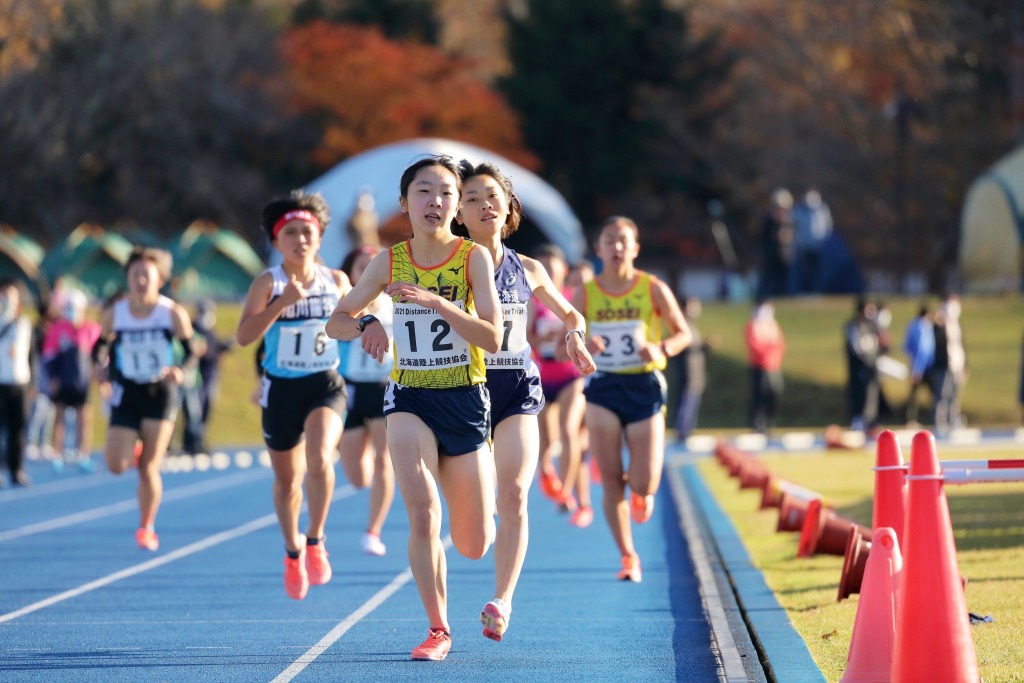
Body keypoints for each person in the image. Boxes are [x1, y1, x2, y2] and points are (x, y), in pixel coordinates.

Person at [325, 155, 501, 661]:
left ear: (457, 205)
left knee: (473, 542)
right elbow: (337, 319)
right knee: (422, 513)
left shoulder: (473, 259)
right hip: (409, 395)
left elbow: (491, 337)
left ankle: (479, 516)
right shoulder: (390, 261)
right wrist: (367, 325)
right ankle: (438, 628)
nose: (436, 202)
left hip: (465, 397)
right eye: (424, 192)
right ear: (404, 203)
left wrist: (438, 303)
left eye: (446, 192)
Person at [456, 161, 596, 641]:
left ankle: (502, 599)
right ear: (458, 211)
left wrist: (575, 336)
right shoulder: (446, 266)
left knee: (514, 492)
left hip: (516, 385)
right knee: (472, 519)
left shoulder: (529, 268)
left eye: (491, 196)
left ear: (509, 207)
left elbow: (571, 312)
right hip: (462, 390)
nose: (484, 205)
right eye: (472, 198)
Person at [236, 191, 350, 600]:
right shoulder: (269, 282)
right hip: (281, 391)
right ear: (277, 242)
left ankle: (316, 539)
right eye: (291, 234)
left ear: (319, 239)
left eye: (308, 232)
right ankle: (292, 551)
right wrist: (280, 305)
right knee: (287, 483)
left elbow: (356, 322)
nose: (301, 240)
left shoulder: (336, 281)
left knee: (320, 459)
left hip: (324, 384)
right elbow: (244, 336)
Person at [574, 216, 691, 583]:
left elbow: (683, 333)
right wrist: (582, 346)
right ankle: (628, 556)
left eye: (624, 240)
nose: (617, 247)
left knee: (644, 483)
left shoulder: (652, 288)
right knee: (610, 480)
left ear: (635, 248)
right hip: (603, 389)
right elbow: (567, 348)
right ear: (599, 249)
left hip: (644, 387)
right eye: (609, 240)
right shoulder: (587, 294)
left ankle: (641, 493)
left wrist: (660, 348)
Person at [92, 247, 196, 549]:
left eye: (146, 275)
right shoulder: (116, 313)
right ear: (127, 278)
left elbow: (192, 352)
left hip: (159, 393)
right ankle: (132, 448)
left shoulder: (171, 313)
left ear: (159, 280)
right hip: (127, 392)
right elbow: (99, 346)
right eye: (135, 275)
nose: (140, 281)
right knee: (115, 465)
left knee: (150, 466)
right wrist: (101, 366)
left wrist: (179, 370)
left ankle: (146, 527)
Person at [336, 245, 395, 557]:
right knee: (358, 476)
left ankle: (373, 530)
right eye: (361, 266)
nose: (368, 272)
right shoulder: (345, 307)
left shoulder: (395, 304)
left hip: (385, 387)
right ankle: (371, 483)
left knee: (384, 460)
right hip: (351, 390)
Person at [530, 244, 592, 527]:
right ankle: (547, 473)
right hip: (542, 377)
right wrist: (548, 342)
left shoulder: (572, 299)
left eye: (552, 268)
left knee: (569, 429)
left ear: (563, 271)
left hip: (570, 377)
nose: (547, 273)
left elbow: (585, 331)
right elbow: (526, 338)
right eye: (541, 267)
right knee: (546, 440)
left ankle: (566, 492)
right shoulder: (532, 301)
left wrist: (572, 341)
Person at [42, 287, 102, 470]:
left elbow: (99, 356)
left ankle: (82, 455)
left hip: (82, 383)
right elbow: (49, 355)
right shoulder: (57, 329)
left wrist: (100, 376)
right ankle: (57, 455)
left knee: (84, 419)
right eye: (68, 307)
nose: (71, 310)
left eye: (75, 307)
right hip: (62, 380)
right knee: (59, 419)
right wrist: (53, 377)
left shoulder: (91, 329)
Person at [181, 300, 233, 455]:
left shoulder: (210, 330)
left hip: (211, 374)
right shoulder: (193, 328)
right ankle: (190, 442)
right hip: (197, 375)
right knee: (194, 410)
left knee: (205, 409)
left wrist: (224, 347)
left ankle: (199, 440)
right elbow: (198, 351)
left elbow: (213, 349)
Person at [0, 278, 34, 487]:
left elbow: (26, 353)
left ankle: (17, 469)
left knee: (18, 430)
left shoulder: (22, 323)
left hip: (19, 383)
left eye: (9, 295)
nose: (5, 300)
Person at [675, 296, 712, 444]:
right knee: (686, 402)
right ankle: (682, 432)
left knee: (692, 402)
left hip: (695, 373)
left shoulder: (691, 325)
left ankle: (687, 431)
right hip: (687, 372)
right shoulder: (681, 326)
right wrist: (704, 346)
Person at [746, 299, 785, 434]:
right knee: (759, 395)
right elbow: (754, 346)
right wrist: (768, 351)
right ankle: (758, 423)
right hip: (759, 367)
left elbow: (780, 345)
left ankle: (770, 422)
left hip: (773, 366)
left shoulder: (773, 325)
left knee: (774, 393)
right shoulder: (753, 325)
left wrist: (773, 355)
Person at [844, 297, 881, 432]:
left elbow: (877, 345)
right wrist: (866, 361)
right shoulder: (853, 326)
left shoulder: (871, 326)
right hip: (859, 368)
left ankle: (871, 421)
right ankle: (858, 421)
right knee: (859, 394)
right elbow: (857, 348)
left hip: (871, 367)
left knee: (872, 394)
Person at [790, 188, 833, 294]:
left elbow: (827, 227)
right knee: (805, 270)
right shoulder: (798, 210)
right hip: (803, 247)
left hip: (818, 247)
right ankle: (805, 290)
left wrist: (824, 242)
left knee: (817, 271)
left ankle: (816, 290)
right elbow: (793, 227)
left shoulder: (822, 209)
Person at [758, 188, 795, 299]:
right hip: (771, 256)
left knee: (784, 281)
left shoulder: (789, 222)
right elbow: (764, 239)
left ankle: (783, 296)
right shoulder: (769, 222)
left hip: (785, 257)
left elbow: (791, 238)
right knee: (769, 280)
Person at [902, 304, 935, 426]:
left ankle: (910, 419)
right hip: (923, 367)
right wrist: (917, 368)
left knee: (913, 395)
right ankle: (915, 419)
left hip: (917, 365)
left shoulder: (912, 325)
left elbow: (907, 347)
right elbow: (922, 349)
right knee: (932, 393)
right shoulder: (923, 327)